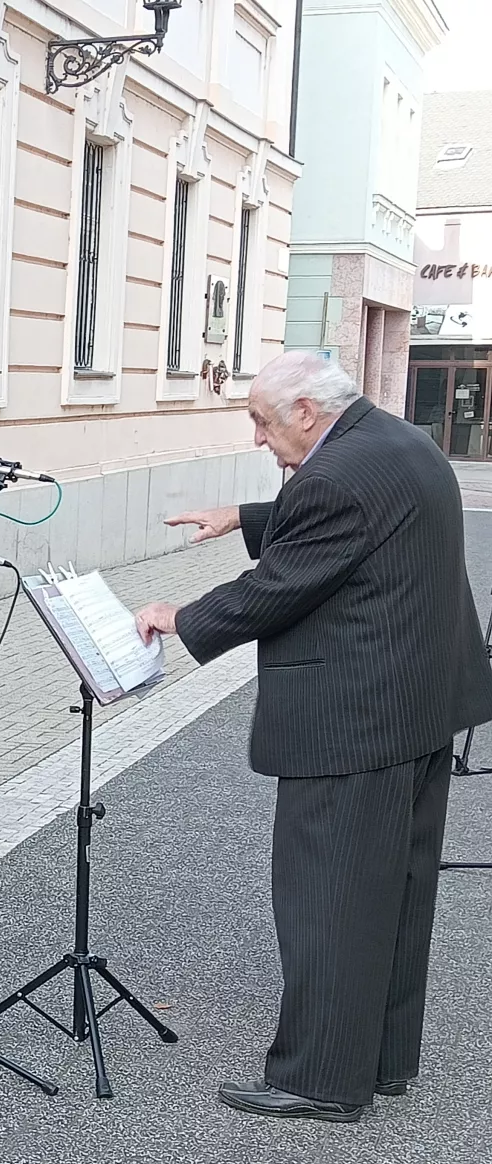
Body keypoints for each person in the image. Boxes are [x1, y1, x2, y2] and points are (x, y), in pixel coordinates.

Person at [132, 351, 492, 1124]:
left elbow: (279, 587)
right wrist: (245, 517)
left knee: (328, 900)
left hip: (354, 720)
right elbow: (357, 519)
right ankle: (384, 1060)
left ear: (304, 412)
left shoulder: (331, 480)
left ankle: (321, 1079)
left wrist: (180, 618)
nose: (257, 438)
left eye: (262, 421)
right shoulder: (399, 439)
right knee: (393, 895)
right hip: (419, 707)